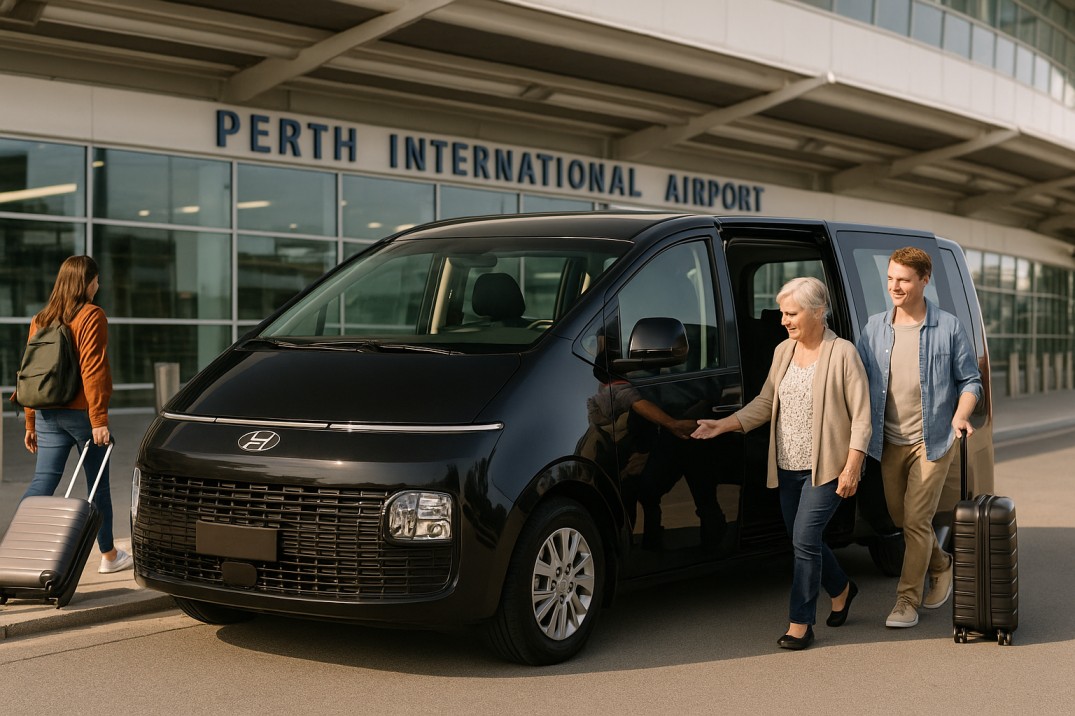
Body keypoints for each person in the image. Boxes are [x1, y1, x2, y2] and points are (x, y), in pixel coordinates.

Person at [692, 277, 870, 650]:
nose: (784, 320)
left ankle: (800, 623)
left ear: (818, 312)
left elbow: (862, 417)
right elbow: (765, 401)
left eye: (792, 313)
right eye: (783, 313)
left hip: (828, 466)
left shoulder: (843, 353)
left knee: (804, 540)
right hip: (788, 465)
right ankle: (841, 588)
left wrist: (853, 466)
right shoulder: (783, 351)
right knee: (803, 539)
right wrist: (723, 425)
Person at [857, 247, 981, 629]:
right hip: (889, 441)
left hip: (933, 439)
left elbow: (970, 380)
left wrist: (961, 415)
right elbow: (857, 381)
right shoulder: (875, 328)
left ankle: (905, 601)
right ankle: (942, 564)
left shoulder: (949, 327)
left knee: (915, 519)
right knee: (900, 517)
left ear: (924, 280)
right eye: (891, 278)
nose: (894, 286)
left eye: (904, 280)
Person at [17, 255, 132, 574]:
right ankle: (109, 556)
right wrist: (99, 421)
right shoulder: (91, 315)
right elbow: (93, 370)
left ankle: (15, 551)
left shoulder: (41, 318)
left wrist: (30, 421)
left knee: (42, 481)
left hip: (47, 414)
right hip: (82, 415)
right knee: (97, 486)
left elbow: (31, 373)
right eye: (97, 279)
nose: (99, 285)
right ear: (86, 282)